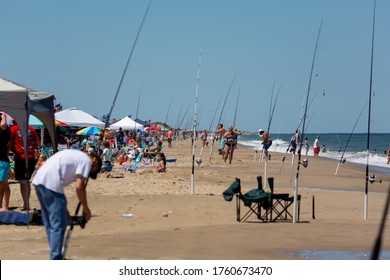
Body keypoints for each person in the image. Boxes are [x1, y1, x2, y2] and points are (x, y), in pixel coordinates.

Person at [32, 149, 102, 260]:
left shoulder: (77, 156)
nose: (89, 174)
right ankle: (56, 258)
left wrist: (65, 212)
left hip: (39, 181)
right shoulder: (87, 161)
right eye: (93, 171)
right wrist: (86, 209)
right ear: (95, 164)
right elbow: (79, 187)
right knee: (58, 225)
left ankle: (56, 255)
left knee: (50, 223)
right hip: (51, 184)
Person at [9, 123, 40, 210]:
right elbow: (38, 144)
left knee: (23, 182)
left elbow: (10, 143)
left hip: (20, 157)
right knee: (27, 181)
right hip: (30, 157)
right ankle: (26, 203)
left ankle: (26, 204)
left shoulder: (13, 129)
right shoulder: (31, 129)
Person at [0, 113, 11, 212]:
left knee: (3, 184)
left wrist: (3, 116)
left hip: (2, 160)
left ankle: (5, 206)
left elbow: (3, 125)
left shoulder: (5, 130)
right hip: (2, 160)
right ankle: (0, 206)